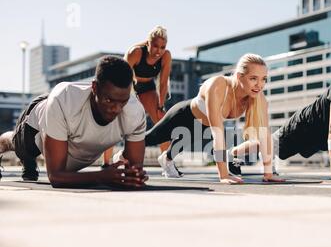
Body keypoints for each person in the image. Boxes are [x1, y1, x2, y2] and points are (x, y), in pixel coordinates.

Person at [0, 56, 148, 188]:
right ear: (95, 87)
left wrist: (132, 174)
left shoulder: (134, 112)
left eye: (123, 101)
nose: (116, 109)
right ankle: (11, 147)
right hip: (39, 120)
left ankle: (28, 161)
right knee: (20, 147)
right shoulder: (63, 102)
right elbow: (56, 176)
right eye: (109, 100)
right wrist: (102, 176)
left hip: (65, 116)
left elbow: (134, 168)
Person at [145, 53, 284, 184]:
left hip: (202, 126)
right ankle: (123, 156)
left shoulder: (259, 99)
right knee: (150, 138)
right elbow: (217, 132)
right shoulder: (218, 85)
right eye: (253, 78)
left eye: (263, 79)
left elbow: (264, 136)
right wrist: (223, 175)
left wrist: (268, 173)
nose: (259, 85)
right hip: (184, 115)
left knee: (177, 148)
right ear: (239, 76)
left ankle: (167, 160)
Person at [103, 25, 172, 165]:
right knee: (115, 120)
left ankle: (167, 162)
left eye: (162, 47)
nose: (158, 51)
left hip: (147, 87)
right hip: (127, 85)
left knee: (161, 118)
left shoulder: (166, 56)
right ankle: (106, 162)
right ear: (148, 43)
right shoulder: (135, 52)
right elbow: (123, 77)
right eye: (155, 46)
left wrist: (160, 105)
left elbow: (163, 83)